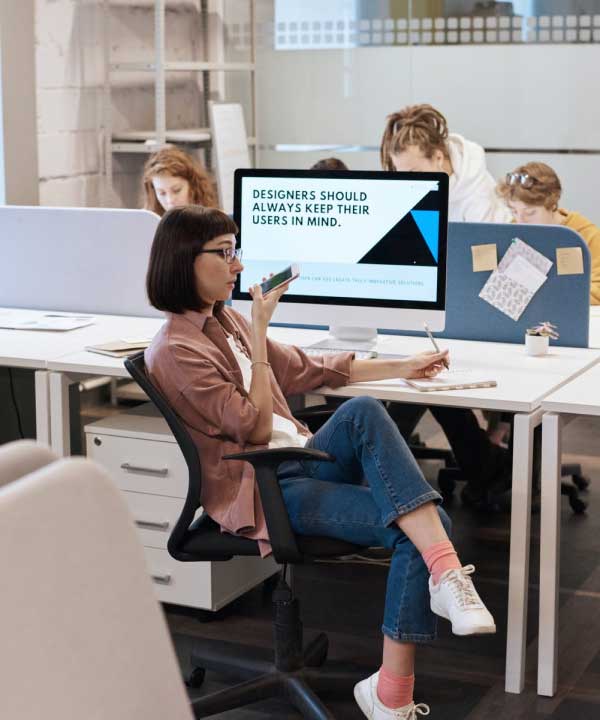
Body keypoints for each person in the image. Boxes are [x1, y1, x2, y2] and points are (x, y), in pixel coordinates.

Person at [145, 205, 496, 719]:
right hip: (265, 487)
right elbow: (255, 427)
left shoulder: (226, 323)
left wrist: (406, 366)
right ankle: (395, 691)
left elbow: (312, 369)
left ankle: (440, 586)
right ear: (184, 262)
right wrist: (261, 336)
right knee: (427, 524)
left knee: (362, 411)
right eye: (224, 253)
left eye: (234, 250)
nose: (237, 264)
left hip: (300, 459)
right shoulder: (177, 350)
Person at [380, 104, 511, 223]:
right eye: (401, 174)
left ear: (438, 158)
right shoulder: (415, 187)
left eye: (414, 172)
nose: (409, 182)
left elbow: (485, 247)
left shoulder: (477, 191)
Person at [497, 161, 600, 305]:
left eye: (530, 212)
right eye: (514, 211)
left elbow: (598, 291)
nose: (520, 221)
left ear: (552, 205)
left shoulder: (586, 235)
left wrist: (550, 296)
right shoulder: (512, 232)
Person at [142, 147, 218, 216]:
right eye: (162, 193)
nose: (170, 200)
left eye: (177, 190)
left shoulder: (215, 222)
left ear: (193, 186)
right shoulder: (149, 221)